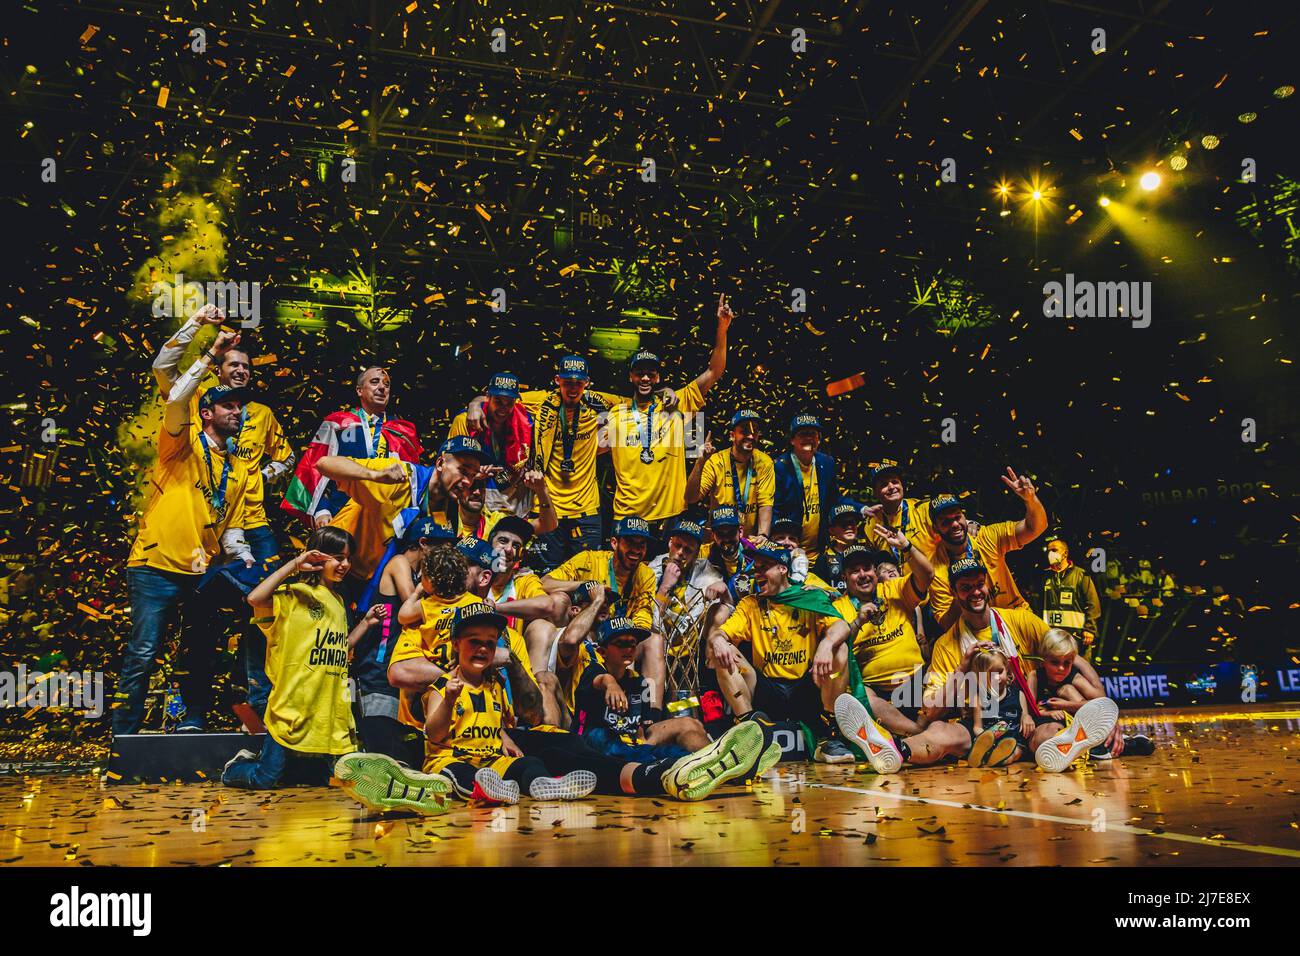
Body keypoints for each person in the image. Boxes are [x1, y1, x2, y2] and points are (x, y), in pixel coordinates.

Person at [337, 603, 776, 808]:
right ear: (454, 643)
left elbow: (510, 721)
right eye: (475, 642)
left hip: (501, 756)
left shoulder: (495, 684)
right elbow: (435, 732)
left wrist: (507, 732)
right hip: (454, 760)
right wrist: (449, 698)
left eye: (491, 644)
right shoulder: (441, 679)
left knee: (534, 766)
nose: (484, 650)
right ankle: (421, 788)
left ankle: (682, 771)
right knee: (468, 775)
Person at [150, 303, 294, 718]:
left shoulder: (262, 415)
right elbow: (164, 370)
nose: (242, 371)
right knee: (200, 618)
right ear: (216, 367)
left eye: (247, 366)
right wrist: (203, 333)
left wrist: (259, 480)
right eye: (233, 362)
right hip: (207, 529)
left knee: (265, 615)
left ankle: (260, 705)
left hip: (256, 527)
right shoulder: (196, 405)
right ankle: (192, 710)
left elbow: (286, 460)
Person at [113, 329, 255, 736]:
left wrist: (241, 555)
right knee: (143, 652)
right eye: (227, 405)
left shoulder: (241, 469)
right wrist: (211, 352)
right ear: (207, 413)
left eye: (239, 407)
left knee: (200, 652)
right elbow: (176, 397)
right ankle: (124, 736)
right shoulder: (180, 442)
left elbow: (232, 526)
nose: (236, 412)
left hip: (201, 573)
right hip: (155, 566)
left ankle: (192, 723)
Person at [465, 356, 676, 567]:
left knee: (587, 573)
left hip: (586, 510)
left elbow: (636, 398)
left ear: (587, 383)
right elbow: (503, 397)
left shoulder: (597, 402)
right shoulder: (542, 401)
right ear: (557, 381)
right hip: (548, 507)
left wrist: (664, 391)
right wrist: (476, 403)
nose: (573, 388)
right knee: (545, 572)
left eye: (578, 383)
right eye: (567, 382)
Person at [925, 557, 1120, 771]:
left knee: (1051, 730)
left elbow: (1070, 655)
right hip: (981, 723)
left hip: (1028, 723)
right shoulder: (945, 645)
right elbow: (932, 711)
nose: (975, 592)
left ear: (988, 584)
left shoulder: (1021, 620)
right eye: (965, 587)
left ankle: (1083, 746)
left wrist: (1103, 711)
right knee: (937, 730)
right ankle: (897, 751)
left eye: (979, 584)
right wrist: (962, 669)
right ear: (953, 591)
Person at [222, 529, 379, 790]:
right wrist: (294, 565)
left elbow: (340, 648)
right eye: (338, 557)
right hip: (292, 707)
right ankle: (235, 768)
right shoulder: (294, 593)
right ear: (318, 557)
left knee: (341, 781)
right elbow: (254, 598)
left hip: (329, 711)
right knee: (265, 779)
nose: (345, 565)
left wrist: (366, 624)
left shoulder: (339, 601)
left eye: (348, 558)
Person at [706, 543, 858, 763]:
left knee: (839, 648)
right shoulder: (751, 604)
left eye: (764, 567)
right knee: (725, 650)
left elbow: (842, 627)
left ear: (783, 569)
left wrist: (826, 644)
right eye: (755, 568)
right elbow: (720, 634)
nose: (757, 574)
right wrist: (717, 639)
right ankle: (750, 735)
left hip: (805, 688)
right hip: (766, 687)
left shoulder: (808, 598)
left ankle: (829, 737)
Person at [605, 294, 731, 538]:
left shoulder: (677, 403)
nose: (644, 378)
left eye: (650, 374)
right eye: (639, 373)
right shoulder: (615, 414)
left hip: (669, 517)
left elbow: (715, 371)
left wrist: (722, 328)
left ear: (658, 378)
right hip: (628, 516)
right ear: (630, 377)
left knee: (670, 575)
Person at [312, 436, 492, 588]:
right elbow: (325, 463)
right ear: (440, 463)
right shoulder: (402, 477)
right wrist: (375, 475)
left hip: (374, 581)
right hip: (334, 565)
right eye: (463, 470)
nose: (468, 482)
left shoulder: (446, 510)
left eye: (472, 475)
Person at [539, 517, 667, 724]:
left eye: (641, 545)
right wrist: (586, 585)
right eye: (630, 543)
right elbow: (546, 582)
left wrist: (626, 639)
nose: (636, 550)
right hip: (587, 637)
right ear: (615, 543)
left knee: (654, 640)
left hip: (620, 637)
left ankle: (651, 717)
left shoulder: (646, 574)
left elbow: (643, 616)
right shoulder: (588, 560)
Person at [349, 517, 455, 765]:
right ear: (423, 543)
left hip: (400, 671)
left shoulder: (419, 575)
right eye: (444, 547)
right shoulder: (399, 563)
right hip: (377, 669)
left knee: (402, 753)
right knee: (383, 752)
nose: (448, 554)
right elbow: (411, 604)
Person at [282, 366, 423, 529]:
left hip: (388, 519)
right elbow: (314, 468)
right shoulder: (337, 424)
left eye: (386, 384)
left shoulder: (403, 431)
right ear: (359, 390)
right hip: (341, 513)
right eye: (375, 382)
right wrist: (321, 510)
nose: (382, 387)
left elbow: (413, 479)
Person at [565, 613, 712, 761]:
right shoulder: (592, 670)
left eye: (632, 643)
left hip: (630, 746)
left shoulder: (638, 681)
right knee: (600, 736)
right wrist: (611, 684)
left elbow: (641, 729)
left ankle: (710, 762)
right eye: (620, 644)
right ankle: (666, 763)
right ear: (602, 652)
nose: (628, 649)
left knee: (678, 742)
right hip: (591, 745)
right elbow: (600, 679)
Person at [925, 467, 1048, 632]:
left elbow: (1036, 528)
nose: (954, 524)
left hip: (1016, 617)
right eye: (945, 522)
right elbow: (947, 624)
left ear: (964, 517)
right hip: (976, 633)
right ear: (935, 528)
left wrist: (1030, 500)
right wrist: (959, 586)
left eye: (957, 517)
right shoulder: (935, 568)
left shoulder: (986, 537)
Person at [833, 526, 934, 702]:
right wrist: (858, 622)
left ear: (875, 571)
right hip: (877, 691)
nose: (863, 575)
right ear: (844, 578)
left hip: (918, 680)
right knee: (863, 700)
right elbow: (837, 651)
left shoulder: (893, 589)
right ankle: (917, 727)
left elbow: (927, 574)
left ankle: (916, 727)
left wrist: (907, 547)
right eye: (855, 571)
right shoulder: (838, 608)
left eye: (867, 568)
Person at [447, 371, 535, 516]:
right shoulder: (465, 421)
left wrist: (475, 401)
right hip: (476, 500)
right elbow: (448, 467)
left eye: (509, 403)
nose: (503, 409)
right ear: (488, 397)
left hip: (515, 504)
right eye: (498, 401)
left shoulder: (525, 419)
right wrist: (473, 472)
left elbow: (561, 391)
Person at [686, 409, 774, 542]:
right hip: (719, 538)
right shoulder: (716, 461)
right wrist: (700, 462)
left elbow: (765, 503)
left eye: (754, 431)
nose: (750, 436)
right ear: (732, 435)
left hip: (749, 541)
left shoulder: (765, 462)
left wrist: (763, 535)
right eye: (744, 431)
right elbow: (691, 498)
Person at [773, 413, 838, 562]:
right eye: (803, 434)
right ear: (792, 440)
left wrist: (862, 509)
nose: (808, 438)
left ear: (819, 439)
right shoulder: (780, 466)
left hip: (819, 551)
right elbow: (774, 509)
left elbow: (835, 500)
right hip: (788, 550)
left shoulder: (827, 462)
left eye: (813, 434)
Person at [861, 460, 939, 567]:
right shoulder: (871, 525)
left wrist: (970, 523)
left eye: (895, 482)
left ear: (902, 486)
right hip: (895, 582)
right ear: (875, 493)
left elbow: (952, 521)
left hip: (931, 580)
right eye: (884, 484)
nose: (891, 487)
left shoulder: (923, 509)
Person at [453, 469, 557, 542]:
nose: (477, 492)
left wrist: (542, 490)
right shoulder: (445, 517)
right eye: (471, 487)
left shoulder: (498, 523)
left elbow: (548, 524)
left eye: (481, 487)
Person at [1041, 534, 1101, 660]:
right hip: (1052, 638)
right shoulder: (1044, 577)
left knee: (1080, 675)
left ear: (1065, 554)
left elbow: (1093, 603)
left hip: (1077, 639)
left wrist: (1090, 629)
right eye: (1049, 551)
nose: (1050, 554)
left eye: (1054, 550)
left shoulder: (1081, 575)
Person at [810, 501, 865, 593]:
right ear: (831, 530)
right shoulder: (824, 559)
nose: (849, 527)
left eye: (852, 522)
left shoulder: (867, 552)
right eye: (843, 523)